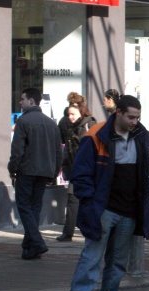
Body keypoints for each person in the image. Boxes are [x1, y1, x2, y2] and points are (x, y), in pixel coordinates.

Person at [64, 95, 149, 291]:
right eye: (131, 117)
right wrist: (91, 200)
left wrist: (146, 192)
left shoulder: (142, 136)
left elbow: (144, 170)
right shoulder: (96, 135)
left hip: (129, 209)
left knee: (118, 260)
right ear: (119, 113)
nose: (135, 121)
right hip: (103, 207)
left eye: (138, 117)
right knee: (92, 255)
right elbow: (81, 173)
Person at [8, 88, 62, 260]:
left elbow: (17, 150)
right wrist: (54, 172)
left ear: (32, 101)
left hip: (27, 170)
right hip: (44, 172)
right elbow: (58, 151)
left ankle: (37, 242)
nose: (20, 102)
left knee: (24, 207)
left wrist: (12, 168)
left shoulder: (23, 121)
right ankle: (30, 246)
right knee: (34, 208)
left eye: (22, 99)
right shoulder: (51, 123)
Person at [56, 93, 97, 242]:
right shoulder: (69, 125)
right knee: (73, 200)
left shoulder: (89, 125)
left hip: (87, 170)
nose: (70, 117)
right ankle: (70, 232)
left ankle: (70, 232)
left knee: (76, 200)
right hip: (75, 169)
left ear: (81, 110)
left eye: (73, 114)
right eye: (69, 114)